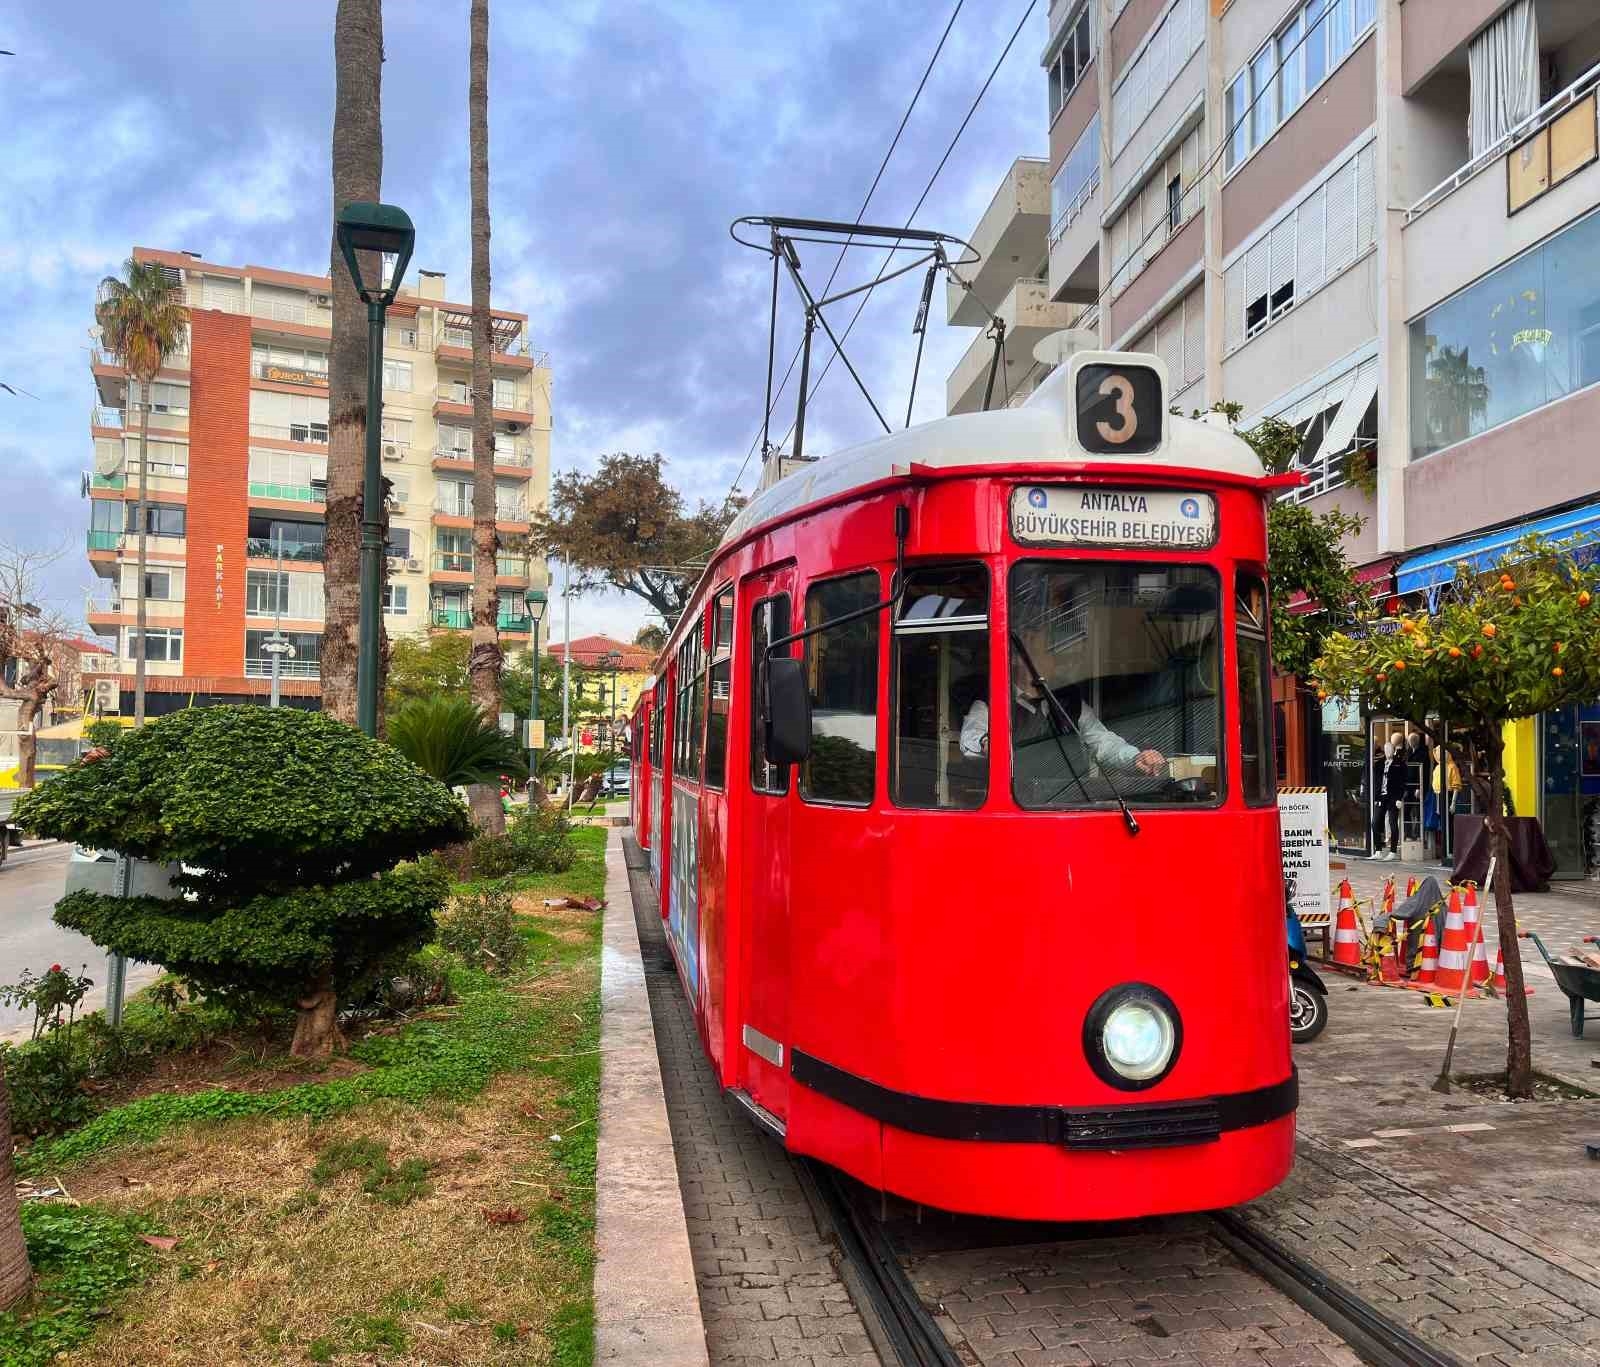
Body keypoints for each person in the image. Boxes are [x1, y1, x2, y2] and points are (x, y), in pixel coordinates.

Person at [960, 625, 1165, 788]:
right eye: (1045, 652)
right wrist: (988, 742)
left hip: (1068, 797)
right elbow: (972, 737)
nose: (1054, 659)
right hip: (1021, 800)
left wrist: (1135, 758)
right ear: (1017, 659)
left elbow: (1103, 742)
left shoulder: (1069, 700)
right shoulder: (992, 701)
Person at [1372, 739, 1408, 860]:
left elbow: (1403, 782)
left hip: (1393, 798)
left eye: (1391, 749)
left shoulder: (1400, 763)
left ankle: (1392, 851)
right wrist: (1376, 797)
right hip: (1381, 797)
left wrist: (1400, 798)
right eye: (1386, 749)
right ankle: (1378, 850)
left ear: (1393, 750)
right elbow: (1376, 782)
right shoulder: (1379, 764)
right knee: (1375, 822)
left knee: (1393, 823)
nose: (1388, 752)